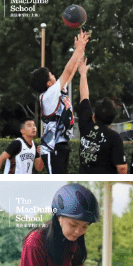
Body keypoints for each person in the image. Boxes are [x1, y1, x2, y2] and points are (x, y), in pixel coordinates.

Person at [30, 30, 90, 174]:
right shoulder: (49, 95)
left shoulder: (55, 92)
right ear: (48, 83)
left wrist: (81, 52)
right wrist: (78, 49)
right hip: (52, 148)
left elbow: (71, 71)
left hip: (61, 145)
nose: (54, 75)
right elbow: (67, 70)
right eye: (50, 74)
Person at [77, 57, 127, 174]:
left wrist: (83, 74)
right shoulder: (114, 138)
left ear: (94, 115)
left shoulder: (85, 125)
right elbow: (122, 168)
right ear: (112, 120)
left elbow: (84, 96)